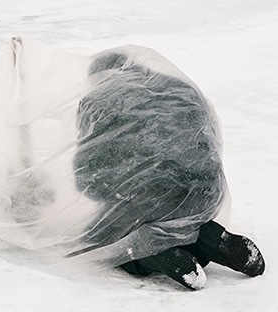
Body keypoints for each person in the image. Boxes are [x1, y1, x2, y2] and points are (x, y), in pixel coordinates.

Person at [72, 47, 265, 290]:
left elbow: (86, 172)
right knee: (170, 211)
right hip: (204, 195)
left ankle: (157, 256)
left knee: (102, 239)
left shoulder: (97, 100)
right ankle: (209, 236)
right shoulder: (176, 88)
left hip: (150, 197)